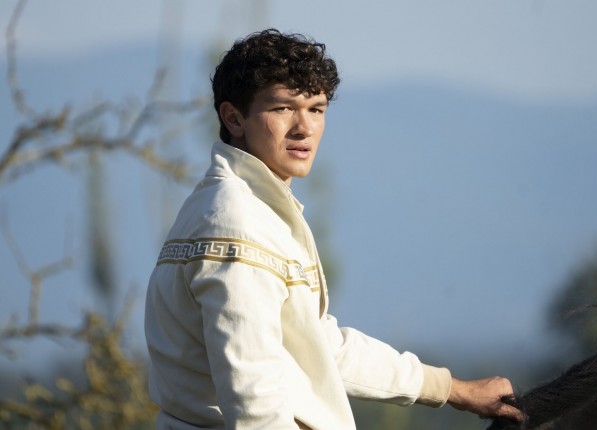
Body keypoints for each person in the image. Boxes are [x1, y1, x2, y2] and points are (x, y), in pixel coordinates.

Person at [145, 28, 522, 430]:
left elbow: (320, 348)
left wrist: (453, 390)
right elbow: (254, 405)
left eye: (316, 109)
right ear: (234, 117)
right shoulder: (237, 223)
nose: (304, 128)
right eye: (283, 108)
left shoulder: (238, 208)